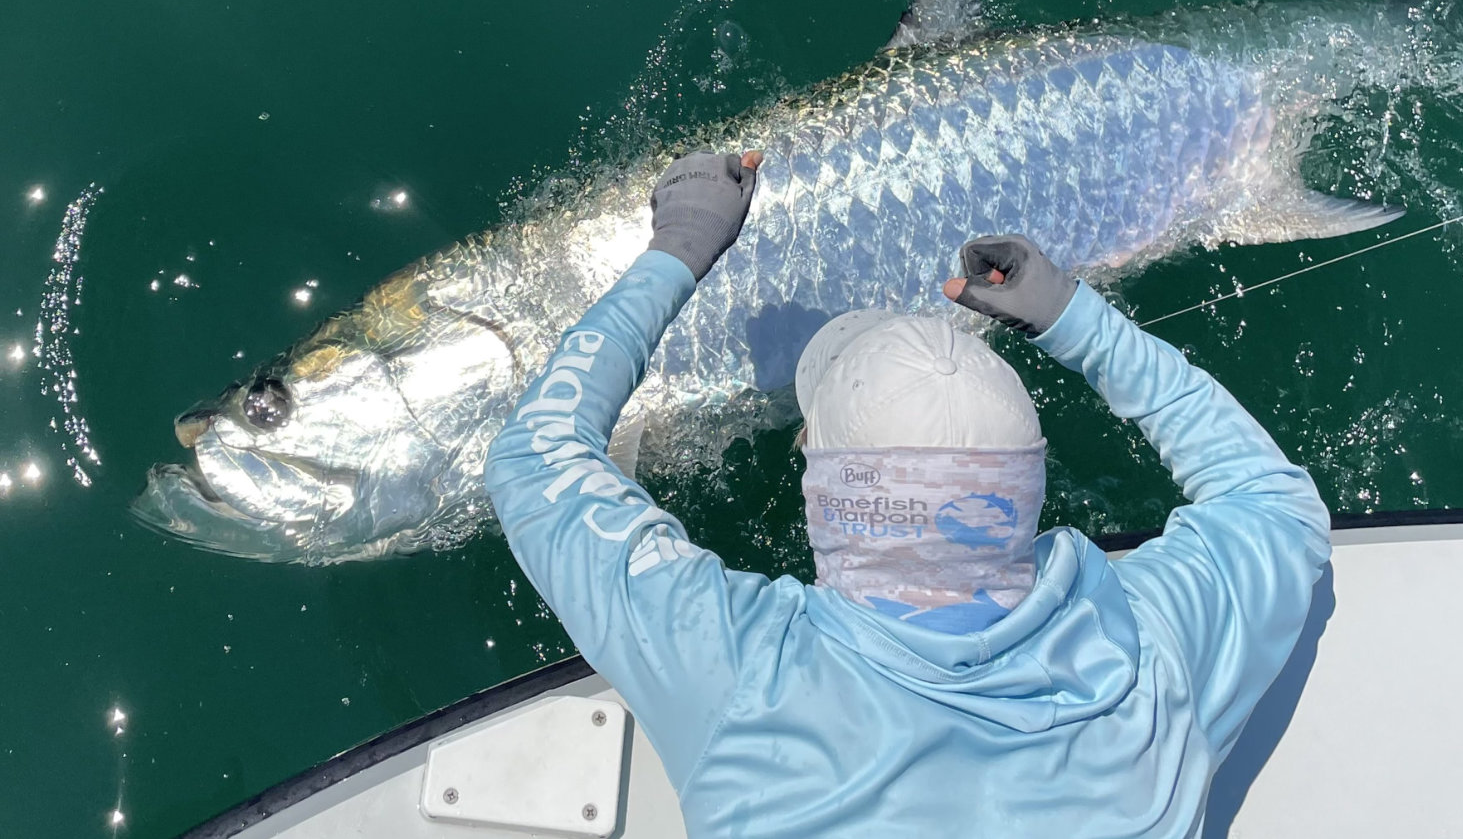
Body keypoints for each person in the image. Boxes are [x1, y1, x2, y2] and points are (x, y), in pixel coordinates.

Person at [485, 150, 1331, 838]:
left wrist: (679, 245)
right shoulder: (1153, 652)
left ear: (819, 472)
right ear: (1027, 478)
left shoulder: (738, 671)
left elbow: (532, 455)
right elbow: (1273, 501)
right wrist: (1079, 319)